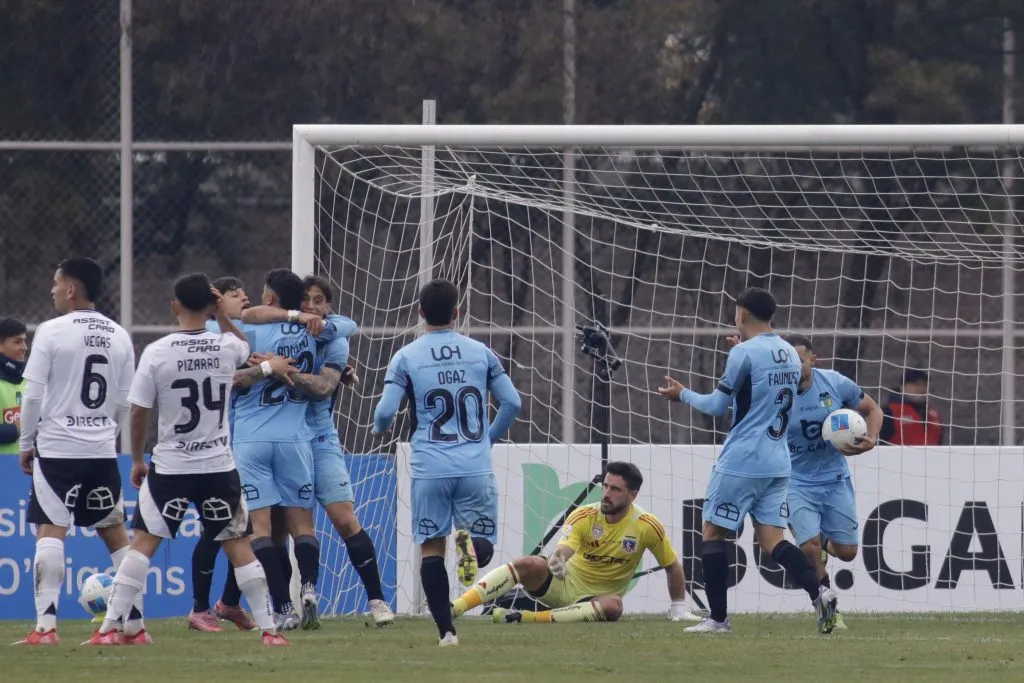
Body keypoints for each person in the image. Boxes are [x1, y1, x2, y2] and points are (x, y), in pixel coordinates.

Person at [86, 273, 286, 646]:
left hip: (173, 466)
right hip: (217, 466)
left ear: (175, 305)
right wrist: (222, 316)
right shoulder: (225, 346)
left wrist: (136, 459)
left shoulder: (158, 352)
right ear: (211, 304)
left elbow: (140, 409)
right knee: (239, 546)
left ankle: (109, 629)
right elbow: (243, 344)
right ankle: (270, 632)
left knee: (144, 543)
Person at [657, 287, 839, 634]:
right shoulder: (788, 350)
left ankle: (718, 620)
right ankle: (820, 593)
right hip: (778, 460)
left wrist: (682, 394)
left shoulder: (743, 354)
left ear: (741, 314)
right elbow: (762, 386)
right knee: (773, 541)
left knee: (712, 533)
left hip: (743, 459)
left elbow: (715, 406)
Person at [372, 278, 522, 647]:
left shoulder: (406, 356)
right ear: (457, 313)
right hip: (474, 465)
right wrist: (486, 439)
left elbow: (385, 412)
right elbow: (513, 403)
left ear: (420, 313)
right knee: (482, 543)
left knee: (431, 549)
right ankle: (472, 546)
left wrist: (378, 429)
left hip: (430, 466)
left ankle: (447, 633)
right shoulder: (480, 351)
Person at [13, 257, 142, 645]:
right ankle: (134, 626)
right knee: (115, 534)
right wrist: (105, 434)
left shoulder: (51, 331)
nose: (52, 291)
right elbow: (125, 402)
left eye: (56, 284)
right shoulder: (120, 335)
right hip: (101, 449)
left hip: (57, 450)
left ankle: (46, 627)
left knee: (50, 531)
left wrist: (26, 442)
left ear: (71, 289)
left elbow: (33, 394)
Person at [451, 461, 700, 625]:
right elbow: (564, 549)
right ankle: (456, 607)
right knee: (529, 562)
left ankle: (524, 618)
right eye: (605, 486)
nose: (606, 493)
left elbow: (672, 566)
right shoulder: (584, 515)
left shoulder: (647, 525)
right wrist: (558, 559)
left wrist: (678, 607)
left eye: (615, 489)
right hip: (562, 585)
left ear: (632, 495)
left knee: (614, 606)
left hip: (596, 599)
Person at [283, 275, 394, 628]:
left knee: (345, 520)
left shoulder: (335, 339)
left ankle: (377, 601)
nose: (311, 305)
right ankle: (306, 594)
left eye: (318, 300)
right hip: (286, 441)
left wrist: (283, 371)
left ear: (328, 306)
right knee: (291, 528)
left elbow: (347, 328)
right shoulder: (279, 333)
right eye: (305, 299)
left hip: (321, 440)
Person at [230, 268, 324, 630]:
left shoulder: (246, 333)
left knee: (261, 529)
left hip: (252, 438)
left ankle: (283, 608)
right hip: (295, 438)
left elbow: (234, 383)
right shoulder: (313, 331)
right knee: (303, 525)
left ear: (269, 298)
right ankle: (310, 589)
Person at [783, 334, 883, 630]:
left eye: (799, 360)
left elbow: (873, 410)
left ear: (813, 360)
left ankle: (824, 541)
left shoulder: (834, 383)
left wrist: (872, 440)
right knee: (810, 547)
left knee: (848, 552)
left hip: (834, 478)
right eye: (788, 361)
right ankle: (828, 608)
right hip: (795, 481)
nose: (793, 366)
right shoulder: (775, 391)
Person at [186, 276, 256, 632]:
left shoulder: (238, 334)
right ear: (216, 302)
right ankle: (201, 607)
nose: (244, 297)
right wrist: (266, 367)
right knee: (216, 531)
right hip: (210, 449)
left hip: (233, 447)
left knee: (241, 530)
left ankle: (228, 604)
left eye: (245, 292)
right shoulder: (214, 334)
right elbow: (233, 372)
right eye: (234, 294)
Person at [880, 368, 942, 446]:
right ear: (902, 387)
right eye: (916, 385)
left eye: (925, 385)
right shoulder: (889, 412)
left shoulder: (934, 415)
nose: (921, 389)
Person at [0, 318, 28, 455]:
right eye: (17, 342)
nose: (24, 347)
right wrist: (15, 429)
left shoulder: (27, 380)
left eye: (24, 341)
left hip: (24, 467)